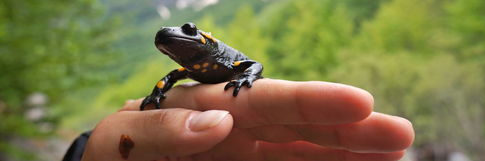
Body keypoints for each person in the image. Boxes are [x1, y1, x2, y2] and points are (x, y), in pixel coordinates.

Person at [63, 79, 414, 161]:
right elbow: (169, 78)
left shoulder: (217, 54)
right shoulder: (185, 69)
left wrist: (246, 81)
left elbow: (253, 67)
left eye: (186, 30)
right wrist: (156, 96)